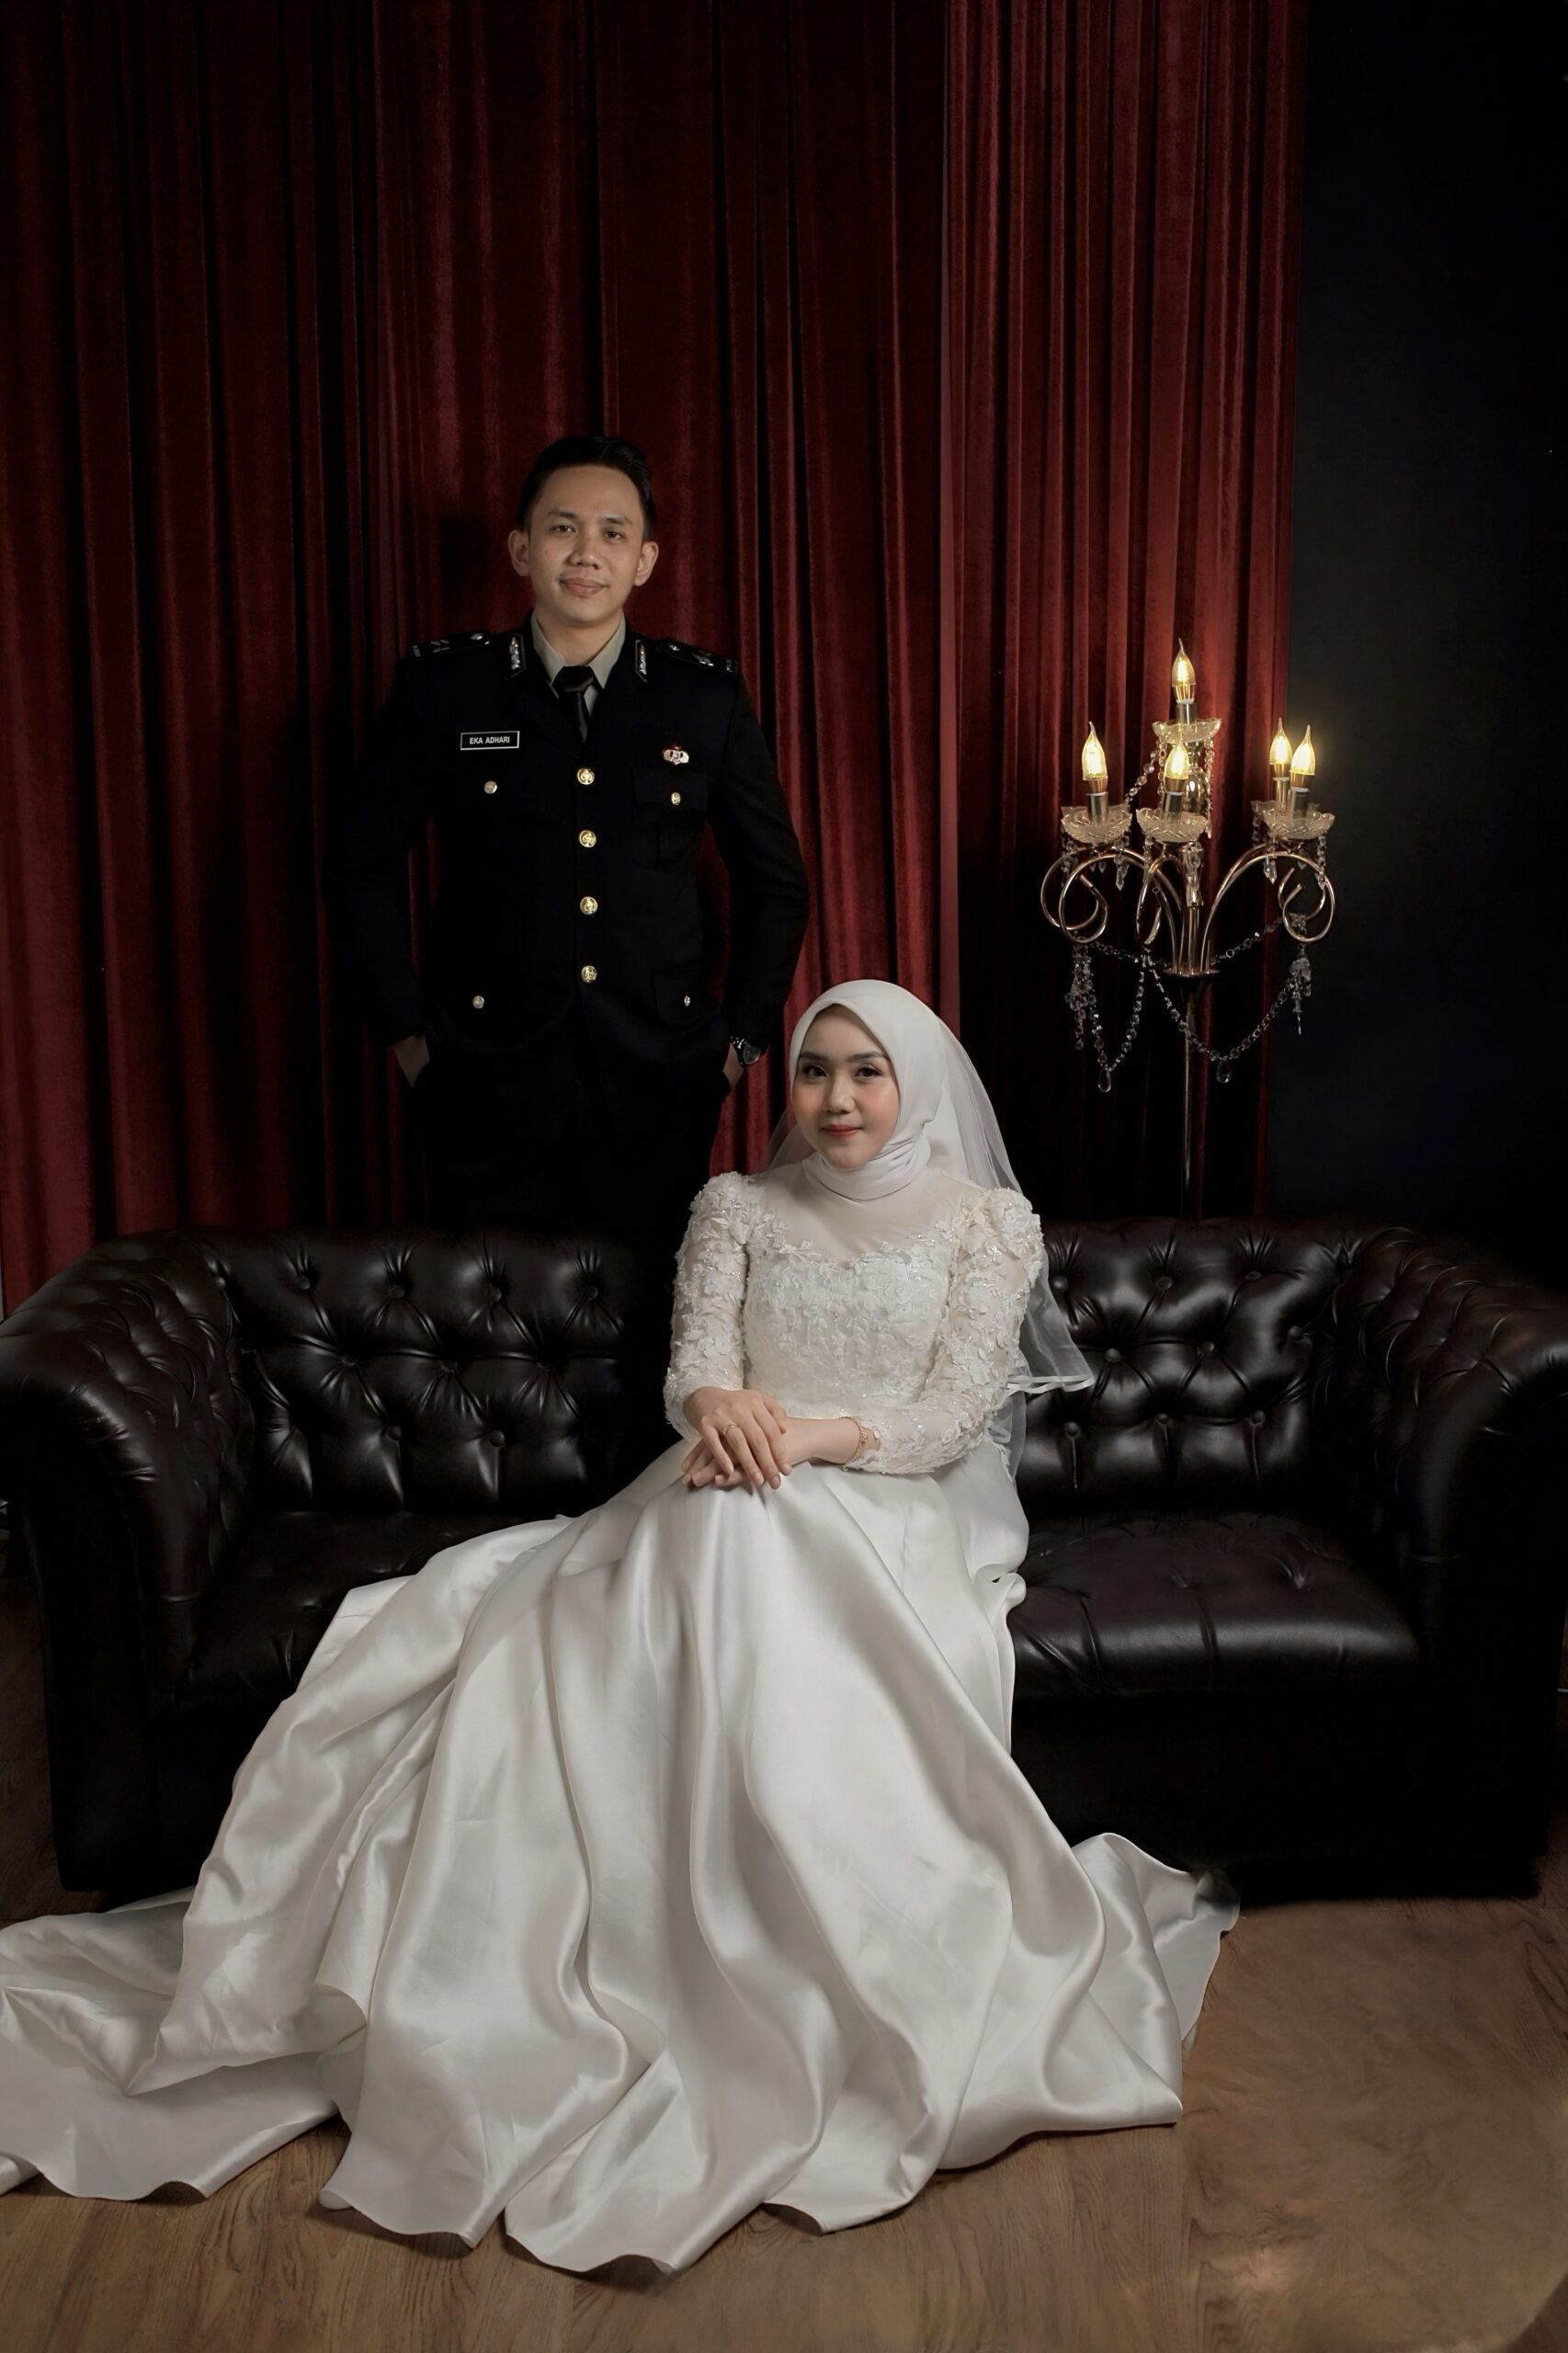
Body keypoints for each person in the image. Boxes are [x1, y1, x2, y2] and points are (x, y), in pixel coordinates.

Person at [0, 981, 1236, 2276]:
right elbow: (694, 1366)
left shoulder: (986, 1225)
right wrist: (722, 1412)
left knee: (755, 1529)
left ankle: (781, 1952)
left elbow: (947, 1415)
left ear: (916, 1083)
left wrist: (803, 1439)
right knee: (701, 1545)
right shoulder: (736, 1207)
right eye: (814, 1070)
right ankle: (632, 1946)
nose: (835, 1099)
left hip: (902, 1496)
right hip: (725, 1474)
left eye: (866, 1072)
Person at [323, 432, 810, 1247]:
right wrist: (409, 1037)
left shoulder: (702, 697)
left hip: (662, 1079)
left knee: (652, 1311)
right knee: (485, 1314)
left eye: (613, 533)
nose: (587, 552)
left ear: (645, 561)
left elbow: (777, 884)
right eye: (562, 528)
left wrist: (735, 1048)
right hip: (483, 1074)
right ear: (521, 548)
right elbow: (358, 868)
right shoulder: (446, 687)